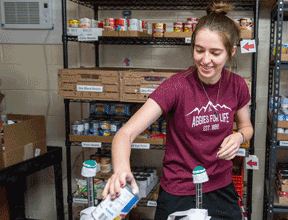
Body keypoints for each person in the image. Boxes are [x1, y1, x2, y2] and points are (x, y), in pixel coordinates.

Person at [102, 1, 253, 219]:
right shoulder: (176, 86)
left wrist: (238, 137)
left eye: (215, 53)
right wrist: (121, 169)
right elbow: (125, 133)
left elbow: (247, 127)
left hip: (220, 187)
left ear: (231, 52)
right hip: (179, 190)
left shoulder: (237, 85)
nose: (205, 60)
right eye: (199, 50)